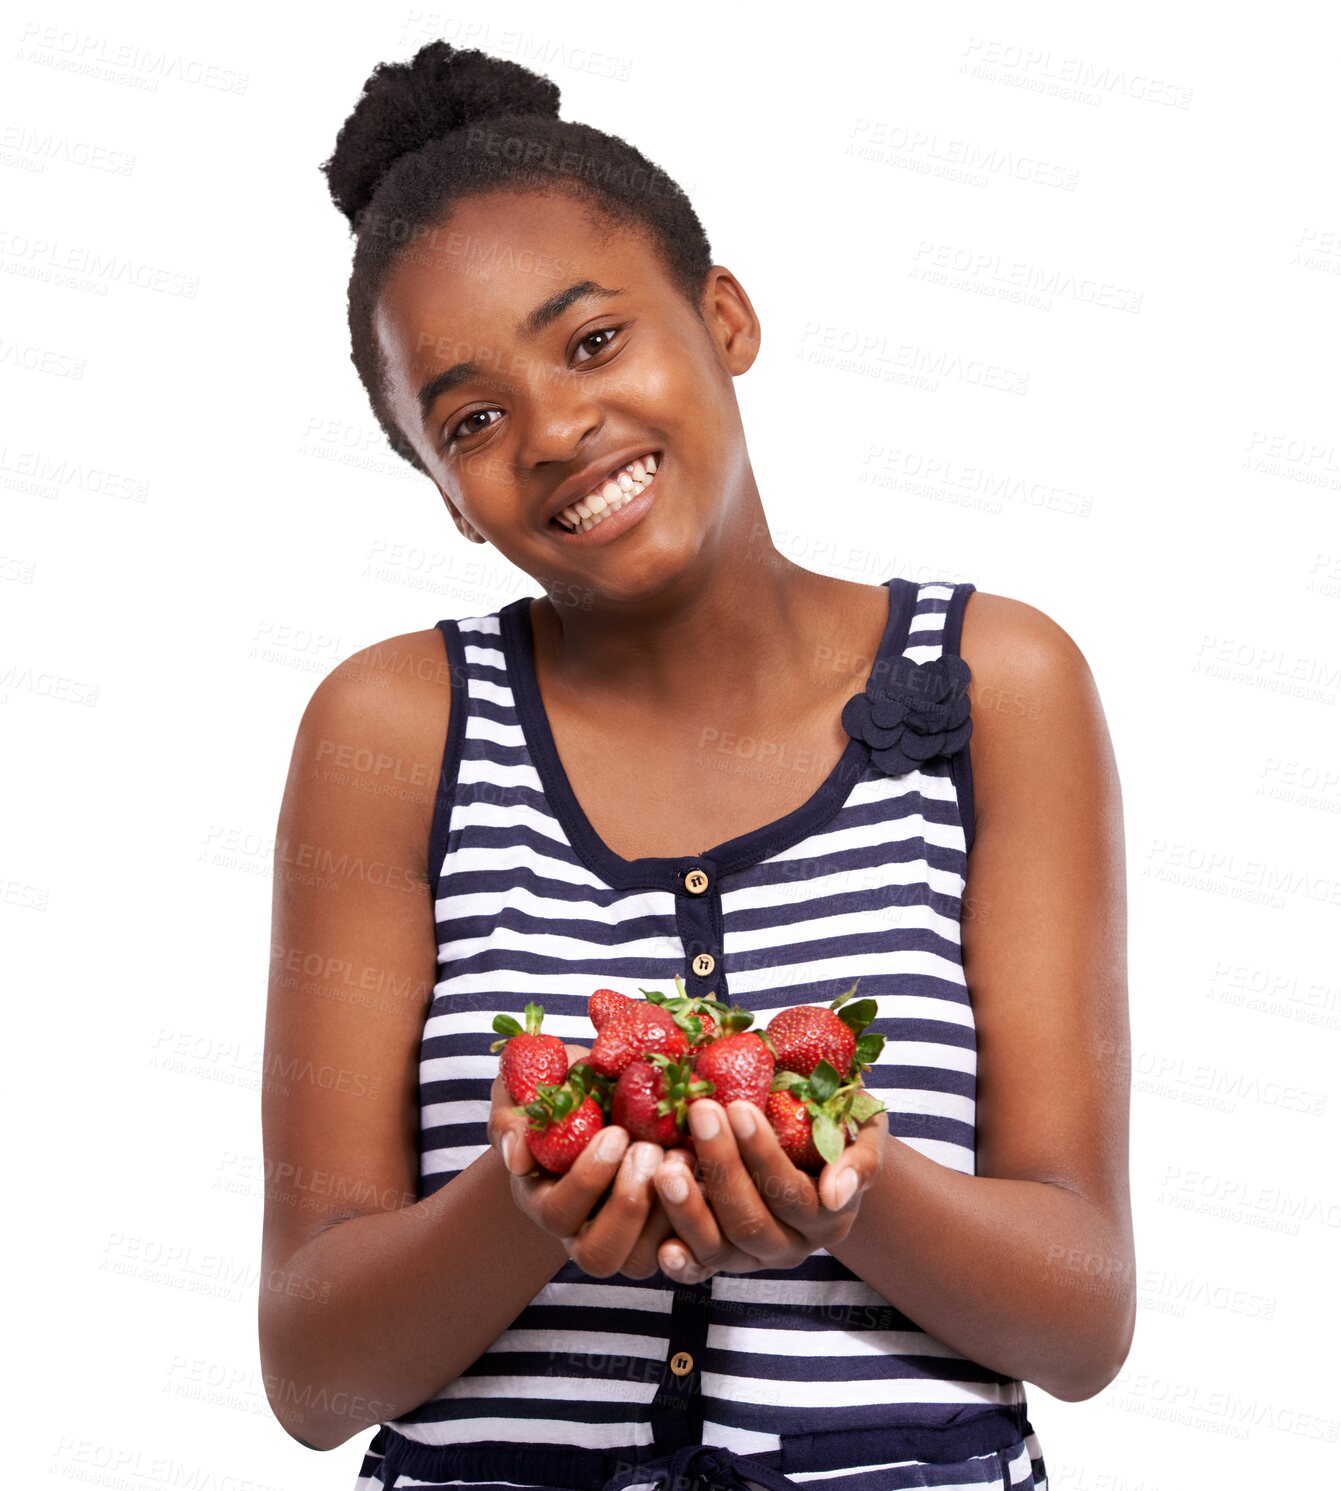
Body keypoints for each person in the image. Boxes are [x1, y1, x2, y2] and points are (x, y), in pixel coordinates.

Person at [258, 40, 1134, 1491]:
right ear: (442, 492)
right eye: (469, 420)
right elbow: (312, 1373)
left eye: (592, 340)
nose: (554, 431)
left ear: (722, 316)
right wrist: (523, 1202)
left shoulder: (998, 682)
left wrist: (843, 1191)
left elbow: (1083, 1317)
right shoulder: (393, 725)